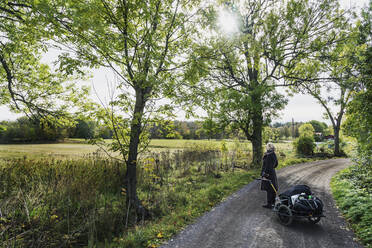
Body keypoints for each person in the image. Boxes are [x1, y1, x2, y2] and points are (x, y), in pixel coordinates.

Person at [261, 143, 278, 209]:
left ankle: (269, 204)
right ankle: (273, 203)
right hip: (273, 173)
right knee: (273, 188)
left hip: (268, 174)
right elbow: (276, 164)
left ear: (268, 148)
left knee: (269, 189)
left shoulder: (268, 155)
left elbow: (267, 166)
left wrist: (265, 174)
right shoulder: (274, 154)